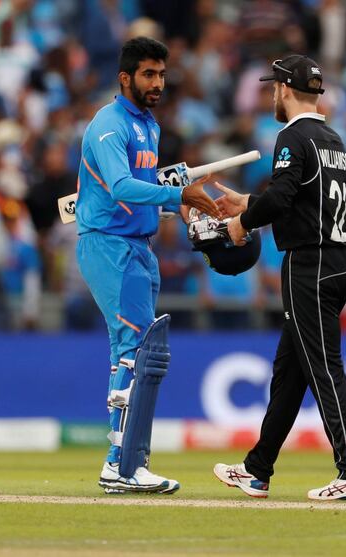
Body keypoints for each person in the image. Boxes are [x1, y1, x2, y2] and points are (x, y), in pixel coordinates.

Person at [211, 55, 346, 501]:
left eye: (273, 88)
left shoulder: (291, 135)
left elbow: (283, 198)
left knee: (322, 367)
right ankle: (257, 469)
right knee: (290, 373)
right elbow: (305, 197)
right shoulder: (332, 137)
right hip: (338, 260)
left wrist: (242, 222)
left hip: (311, 264)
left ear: (284, 89)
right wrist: (248, 201)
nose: (271, 95)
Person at [75, 37, 220, 494]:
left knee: (138, 351)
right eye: (149, 75)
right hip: (108, 244)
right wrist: (178, 194)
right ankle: (121, 463)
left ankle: (124, 463)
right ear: (125, 77)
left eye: (162, 74)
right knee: (135, 349)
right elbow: (120, 186)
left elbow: (144, 189)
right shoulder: (108, 125)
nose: (158, 83)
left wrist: (183, 206)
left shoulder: (150, 126)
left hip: (139, 244)